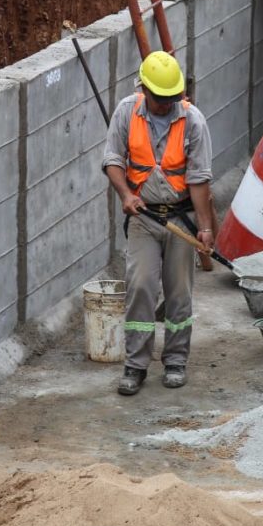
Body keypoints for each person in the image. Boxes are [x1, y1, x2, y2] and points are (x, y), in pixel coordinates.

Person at [102, 51, 214, 395]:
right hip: (144, 217)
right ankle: (136, 365)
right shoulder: (126, 111)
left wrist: (205, 228)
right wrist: (125, 194)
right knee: (140, 287)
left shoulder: (194, 121)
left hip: (181, 218)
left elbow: (199, 180)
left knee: (179, 292)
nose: (165, 104)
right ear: (144, 90)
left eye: (171, 98)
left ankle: (176, 360)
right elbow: (112, 160)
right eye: (159, 98)